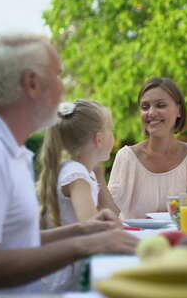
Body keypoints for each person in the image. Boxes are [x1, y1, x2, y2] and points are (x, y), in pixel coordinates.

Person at [0, 32, 138, 294]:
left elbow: (14, 244)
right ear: (31, 83)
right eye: (58, 75)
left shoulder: (4, 149)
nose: (64, 89)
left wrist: (84, 230)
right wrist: (86, 245)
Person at [37, 99, 121, 292]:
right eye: (111, 130)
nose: (114, 136)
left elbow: (114, 214)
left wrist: (99, 177)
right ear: (99, 139)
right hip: (68, 277)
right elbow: (92, 227)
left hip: (66, 266)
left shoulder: (82, 172)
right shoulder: (76, 175)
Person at [108, 77, 187, 219]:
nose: (151, 112)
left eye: (160, 105)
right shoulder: (126, 157)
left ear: (179, 110)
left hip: (180, 239)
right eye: (145, 107)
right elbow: (109, 212)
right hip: (133, 240)